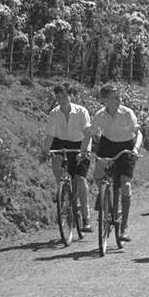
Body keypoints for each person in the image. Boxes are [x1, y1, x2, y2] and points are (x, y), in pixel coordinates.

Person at [88, 84, 142, 244]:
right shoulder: (100, 115)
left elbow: (138, 133)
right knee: (98, 173)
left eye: (119, 96)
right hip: (108, 144)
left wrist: (136, 149)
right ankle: (105, 195)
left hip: (126, 146)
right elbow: (90, 134)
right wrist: (84, 151)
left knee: (125, 185)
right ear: (105, 100)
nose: (119, 99)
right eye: (114, 97)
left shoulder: (127, 113)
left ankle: (124, 228)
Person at [45, 84, 93, 234]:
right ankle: (63, 191)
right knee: (55, 162)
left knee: (80, 179)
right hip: (61, 143)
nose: (61, 100)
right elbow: (50, 136)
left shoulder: (81, 111)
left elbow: (88, 134)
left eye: (64, 96)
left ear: (70, 96)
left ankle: (86, 217)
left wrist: (86, 151)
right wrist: (45, 151)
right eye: (58, 97)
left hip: (80, 143)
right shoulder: (54, 113)